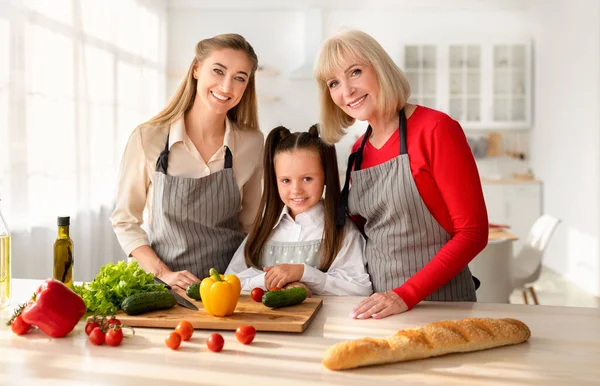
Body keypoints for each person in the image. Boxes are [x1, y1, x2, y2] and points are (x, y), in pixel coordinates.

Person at [313, 30, 488, 318]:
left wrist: (404, 296)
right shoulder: (358, 151)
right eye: (334, 83)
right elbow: (361, 235)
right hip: (377, 305)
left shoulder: (435, 129)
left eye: (355, 72)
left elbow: (473, 234)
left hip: (439, 305)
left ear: (380, 68)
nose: (346, 91)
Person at [110, 34, 264, 290]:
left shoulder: (252, 143)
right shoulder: (148, 138)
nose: (226, 87)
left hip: (230, 286)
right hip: (165, 288)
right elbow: (125, 220)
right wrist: (163, 273)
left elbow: (250, 224)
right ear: (196, 70)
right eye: (218, 71)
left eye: (239, 78)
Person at [225, 125, 372, 297]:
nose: (296, 190)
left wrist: (304, 273)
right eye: (286, 180)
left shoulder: (342, 231)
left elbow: (359, 288)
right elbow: (229, 282)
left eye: (307, 179)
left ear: (325, 175)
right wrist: (269, 279)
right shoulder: (263, 230)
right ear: (275, 180)